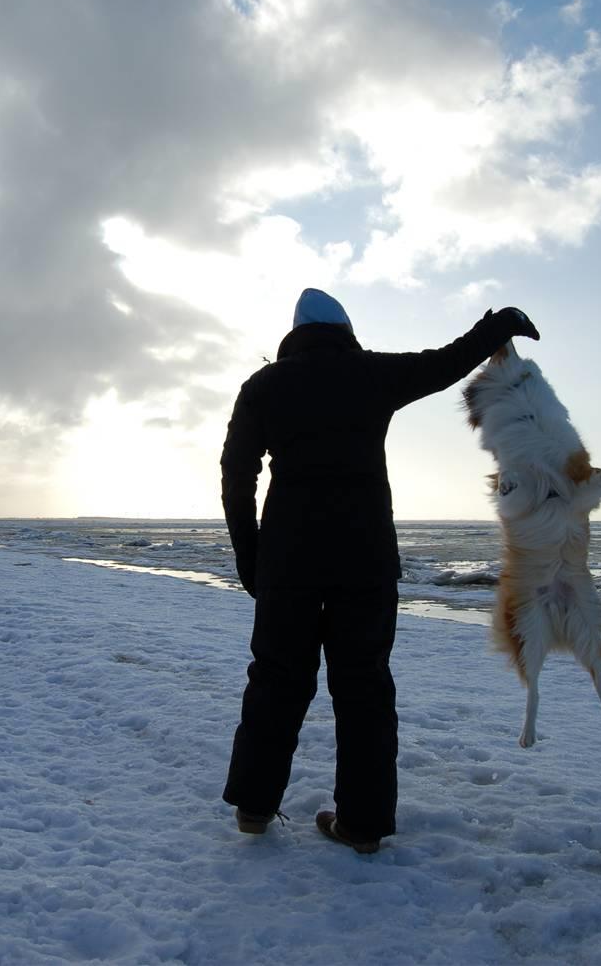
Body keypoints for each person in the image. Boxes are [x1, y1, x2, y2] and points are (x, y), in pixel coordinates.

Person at [220, 288, 539, 853]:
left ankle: (254, 807)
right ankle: (362, 825)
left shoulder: (264, 386)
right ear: (345, 330)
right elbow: (445, 363)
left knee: (276, 680)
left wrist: (250, 554)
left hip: (288, 562)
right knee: (364, 687)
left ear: (295, 334)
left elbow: (236, 473)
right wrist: (498, 328)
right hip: (364, 560)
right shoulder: (371, 374)